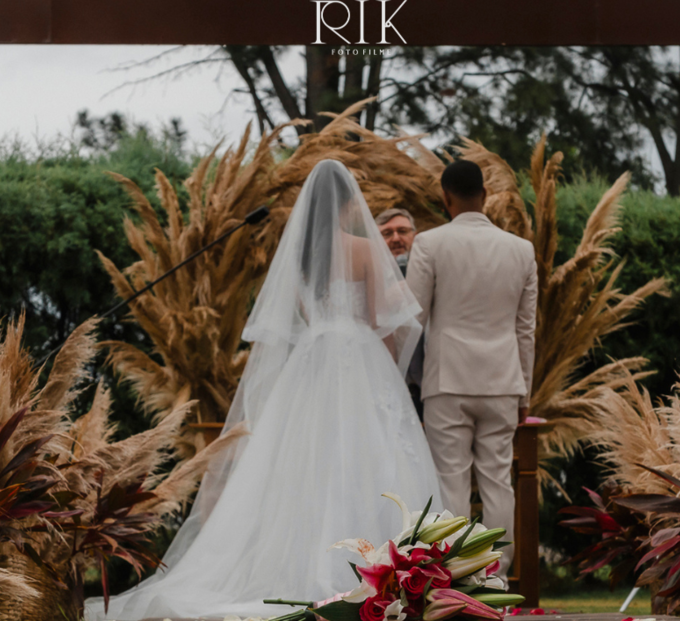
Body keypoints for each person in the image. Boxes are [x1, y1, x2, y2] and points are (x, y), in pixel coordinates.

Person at [86, 160, 441, 620]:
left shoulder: (300, 258)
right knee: (362, 453)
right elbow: (378, 321)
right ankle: (378, 568)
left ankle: (297, 563)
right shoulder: (362, 249)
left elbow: (300, 316)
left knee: (304, 461)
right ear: (346, 203)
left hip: (312, 359)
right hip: (357, 355)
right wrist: (388, 368)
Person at [405, 159, 538, 570]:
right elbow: (526, 330)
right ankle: (496, 573)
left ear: (445, 198)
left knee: (451, 480)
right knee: (498, 480)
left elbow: (413, 319)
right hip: (503, 382)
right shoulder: (521, 250)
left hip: (447, 381)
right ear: (485, 194)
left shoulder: (429, 244)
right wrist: (524, 392)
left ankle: (452, 574)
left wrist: (394, 376)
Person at [376, 208, 425, 421]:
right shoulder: (369, 277)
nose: (396, 238)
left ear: (415, 235)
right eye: (387, 233)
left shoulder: (431, 273)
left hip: (430, 387)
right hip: (387, 388)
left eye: (403, 231)